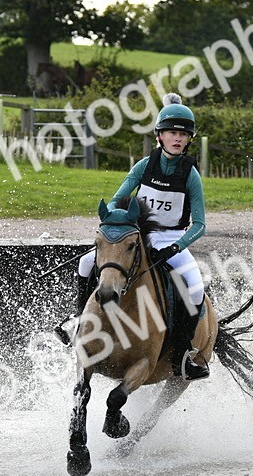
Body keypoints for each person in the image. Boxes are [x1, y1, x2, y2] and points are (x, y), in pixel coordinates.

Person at [59, 94, 209, 379]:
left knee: (195, 288)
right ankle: (78, 321)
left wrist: (177, 247)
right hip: (137, 235)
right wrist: (118, 223)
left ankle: (183, 353)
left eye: (183, 135)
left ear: (189, 139)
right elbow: (116, 200)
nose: (177, 139)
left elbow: (200, 225)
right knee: (86, 264)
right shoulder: (143, 166)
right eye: (172, 133)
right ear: (160, 136)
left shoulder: (190, 175)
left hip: (172, 239)